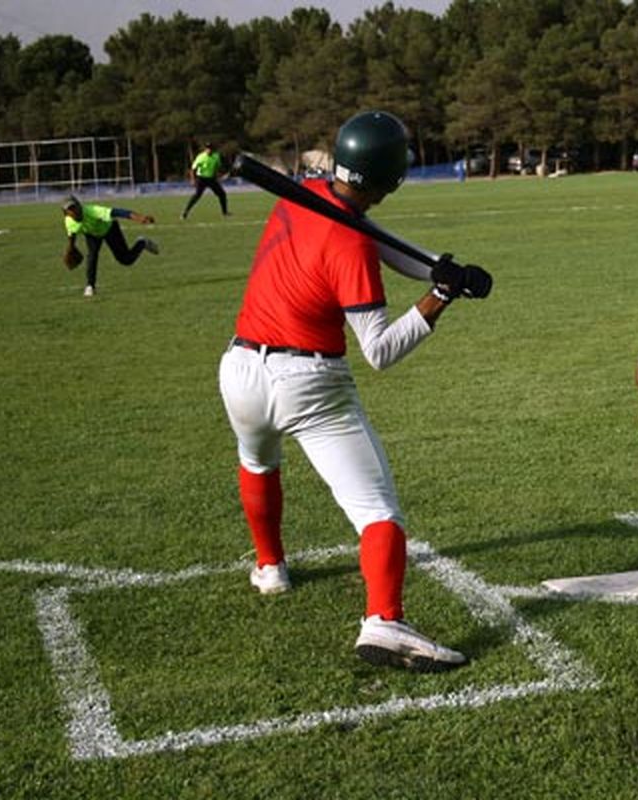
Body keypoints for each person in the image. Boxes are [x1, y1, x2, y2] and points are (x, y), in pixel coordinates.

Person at [217, 110, 492, 673]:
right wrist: (438, 299)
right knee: (377, 511)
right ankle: (384, 620)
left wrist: (439, 268)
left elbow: (371, 233)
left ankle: (270, 568)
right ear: (391, 177)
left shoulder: (305, 193)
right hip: (310, 385)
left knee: (258, 461)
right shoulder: (352, 250)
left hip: (241, 370)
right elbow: (381, 350)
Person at [61, 194, 159, 297]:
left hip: (109, 228)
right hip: (92, 234)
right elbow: (71, 235)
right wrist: (70, 248)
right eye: (69, 209)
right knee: (92, 256)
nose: (73, 211)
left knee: (126, 260)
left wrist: (139, 217)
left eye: (73, 207)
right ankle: (90, 286)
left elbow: (117, 212)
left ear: (79, 205)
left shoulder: (92, 211)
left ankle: (142, 242)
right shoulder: (69, 222)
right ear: (65, 213)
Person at [181, 142, 230, 219]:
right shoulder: (201, 157)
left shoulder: (216, 156)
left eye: (210, 148)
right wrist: (193, 180)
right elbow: (193, 169)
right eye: (207, 148)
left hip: (211, 179)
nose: (209, 150)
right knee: (197, 196)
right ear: (205, 149)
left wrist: (218, 176)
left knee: (222, 194)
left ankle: (225, 213)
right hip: (201, 179)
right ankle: (185, 212)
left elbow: (217, 167)